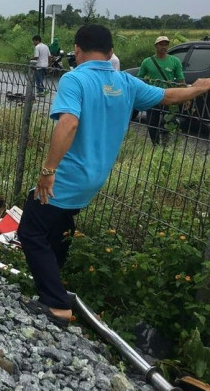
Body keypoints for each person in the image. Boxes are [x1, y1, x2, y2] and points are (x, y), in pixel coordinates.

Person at [18, 25, 210, 327]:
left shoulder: (75, 79)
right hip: (95, 177)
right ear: (110, 53)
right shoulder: (125, 82)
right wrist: (199, 88)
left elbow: (67, 124)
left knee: (31, 230)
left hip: (67, 176)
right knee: (60, 228)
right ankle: (51, 284)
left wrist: (48, 171)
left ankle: (55, 304)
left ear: (78, 50)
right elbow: (168, 96)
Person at [137, 36, 185, 145]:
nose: (164, 47)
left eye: (166, 44)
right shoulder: (147, 62)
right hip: (152, 96)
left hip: (169, 96)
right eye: (161, 44)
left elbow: (181, 80)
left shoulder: (175, 61)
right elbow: (140, 78)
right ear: (156, 46)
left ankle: (165, 140)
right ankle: (155, 144)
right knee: (151, 122)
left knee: (168, 120)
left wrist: (185, 96)